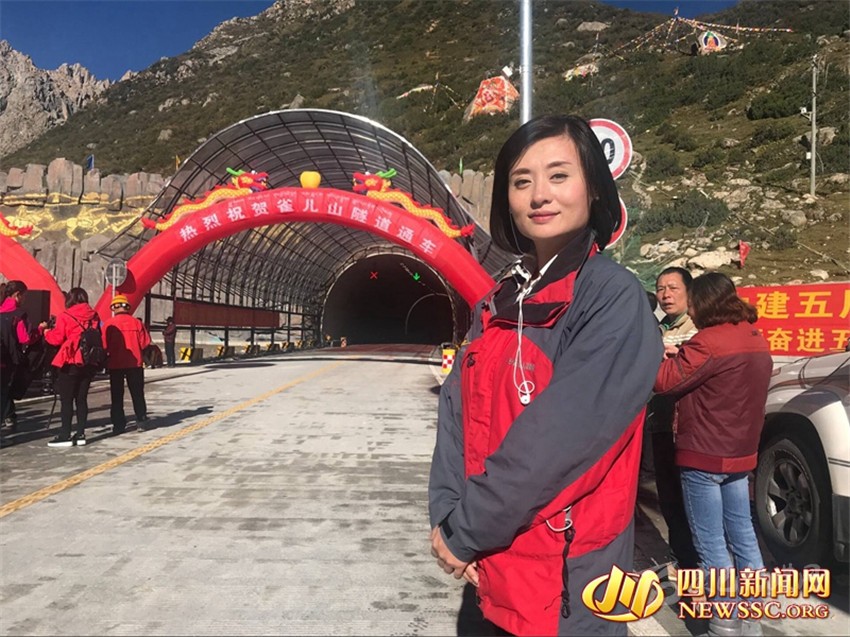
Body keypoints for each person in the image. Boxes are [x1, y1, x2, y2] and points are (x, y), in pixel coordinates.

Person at [428, 114, 663, 636]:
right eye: (521, 181)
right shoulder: (497, 301)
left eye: (559, 175)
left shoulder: (610, 298)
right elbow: (455, 416)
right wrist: (446, 514)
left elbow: (559, 442)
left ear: (594, 188)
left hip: (566, 586)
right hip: (491, 568)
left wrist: (465, 529)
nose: (539, 194)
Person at [654, 272, 772, 637]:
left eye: (691, 302)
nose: (689, 308)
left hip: (703, 455)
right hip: (740, 454)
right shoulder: (754, 337)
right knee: (743, 534)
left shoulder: (707, 341)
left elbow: (665, 381)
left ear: (703, 303)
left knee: (711, 544)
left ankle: (723, 623)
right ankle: (751, 619)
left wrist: (660, 357)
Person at [644, 267, 701, 575]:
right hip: (660, 424)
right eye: (661, 288)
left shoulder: (698, 327)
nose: (666, 295)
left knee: (692, 499)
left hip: (690, 428)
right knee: (669, 497)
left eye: (673, 288)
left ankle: (701, 565)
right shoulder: (656, 328)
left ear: (689, 292)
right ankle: (683, 560)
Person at [43, 287, 100, 447]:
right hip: (89, 361)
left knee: (66, 400)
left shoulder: (66, 316)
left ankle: (65, 435)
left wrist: (46, 332)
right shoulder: (94, 316)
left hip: (70, 360)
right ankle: (80, 434)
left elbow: (56, 339)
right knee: (81, 399)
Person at [0, 281, 45, 433]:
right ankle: (8, 417)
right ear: (17, 295)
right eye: (24, 296)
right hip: (9, 359)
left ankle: (10, 415)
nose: (25, 299)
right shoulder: (19, 315)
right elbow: (25, 338)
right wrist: (40, 329)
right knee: (5, 391)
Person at [103, 294, 151, 435]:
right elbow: (145, 343)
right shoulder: (137, 323)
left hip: (115, 364)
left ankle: (119, 425)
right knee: (137, 393)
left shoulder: (109, 324)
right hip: (134, 364)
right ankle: (141, 420)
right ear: (128, 307)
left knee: (117, 396)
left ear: (113, 308)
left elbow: (104, 345)